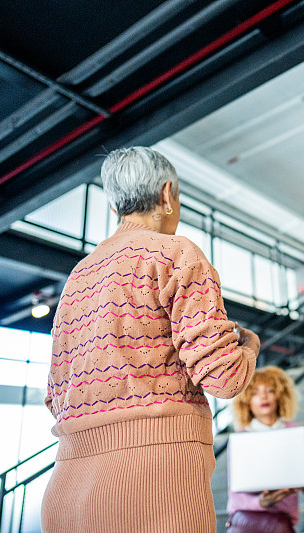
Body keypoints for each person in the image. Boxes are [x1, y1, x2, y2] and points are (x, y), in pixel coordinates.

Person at [42, 147, 260, 533]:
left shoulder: (78, 276)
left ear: (115, 210)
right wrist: (248, 344)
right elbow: (224, 378)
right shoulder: (177, 253)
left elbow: (54, 394)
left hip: (67, 487)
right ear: (167, 194)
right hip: (157, 482)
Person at [226, 366, 304, 533]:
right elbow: (235, 495)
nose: (263, 396)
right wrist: (260, 503)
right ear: (246, 401)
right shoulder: (239, 438)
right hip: (248, 515)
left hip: (283, 518)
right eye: (255, 393)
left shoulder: (294, 431)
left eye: (269, 390)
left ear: (280, 395)